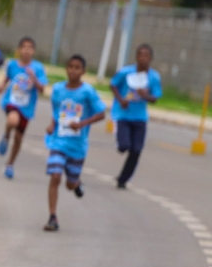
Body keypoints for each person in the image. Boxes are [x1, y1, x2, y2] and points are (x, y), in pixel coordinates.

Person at [43, 54, 106, 232]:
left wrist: (82, 124)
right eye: (70, 67)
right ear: (66, 69)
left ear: (83, 71)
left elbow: (101, 114)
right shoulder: (58, 89)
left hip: (77, 146)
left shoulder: (87, 92)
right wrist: (52, 124)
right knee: (55, 176)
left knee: (69, 184)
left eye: (77, 68)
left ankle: (77, 183)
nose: (73, 70)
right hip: (58, 142)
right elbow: (56, 111)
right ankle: (52, 217)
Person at [110, 44, 163, 189]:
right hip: (123, 115)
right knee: (124, 146)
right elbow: (113, 84)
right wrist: (120, 100)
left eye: (146, 55)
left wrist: (145, 95)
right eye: (141, 55)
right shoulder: (126, 72)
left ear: (151, 58)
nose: (143, 58)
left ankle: (123, 179)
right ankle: (120, 142)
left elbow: (155, 98)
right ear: (136, 56)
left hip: (140, 117)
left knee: (137, 150)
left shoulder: (154, 77)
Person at [0, 36, 48, 179]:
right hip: (11, 101)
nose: (26, 51)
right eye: (24, 48)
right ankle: (6, 136)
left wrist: (34, 78)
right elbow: (8, 76)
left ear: (34, 51)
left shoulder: (37, 68)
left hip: (26, 107)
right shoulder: (12, 65)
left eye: (30, 48)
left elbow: (42, 89)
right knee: (13, 120)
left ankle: (10, 164)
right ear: (19, 50)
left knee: (19, 138)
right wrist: (2, 85)